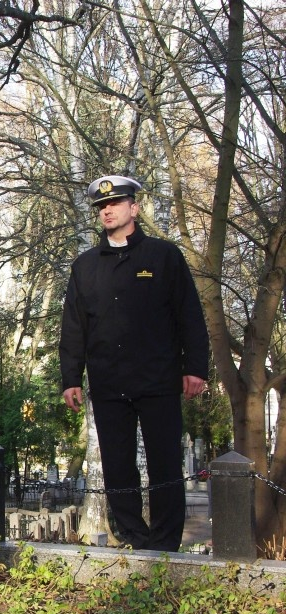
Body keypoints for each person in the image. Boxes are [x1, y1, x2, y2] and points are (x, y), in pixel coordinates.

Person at [59, 174, 209, 552]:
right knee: (118, 468)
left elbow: (189, 315)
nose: (107, 210)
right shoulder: (86, 266)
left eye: (115, 203)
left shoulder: (163, 256)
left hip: (158, 379)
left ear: (134, 208)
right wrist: (70, 378)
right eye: (101, 206)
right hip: (109, 383)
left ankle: (165, 543)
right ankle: (134, 537)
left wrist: (195, 368)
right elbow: (74, 327)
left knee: (165, 465)